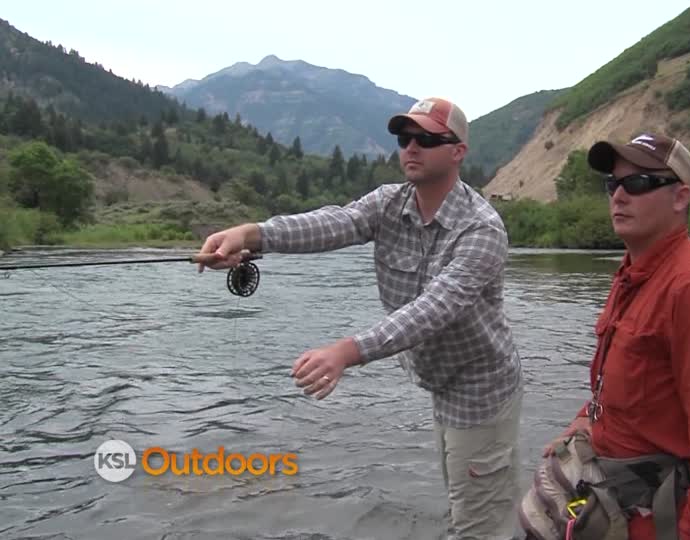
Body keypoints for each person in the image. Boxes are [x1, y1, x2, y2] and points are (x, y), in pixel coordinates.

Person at [196, 97, 524, 540]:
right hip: (441, 382)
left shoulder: (482, 230)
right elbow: (332, 224)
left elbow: (434, 310)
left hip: (482, 389)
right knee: (464, 504)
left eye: (426, 139)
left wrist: (346, 352)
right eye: (405, 138)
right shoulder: (388, 202)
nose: (411, 147)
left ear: (457, 152)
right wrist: (250, 234)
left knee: (480, 526)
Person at [533, 133, 690, 540]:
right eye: (612, 185)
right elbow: (622, 382)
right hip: (615, 501)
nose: (618, 196)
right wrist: (583, 419)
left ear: (680, 197)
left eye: (636, 184)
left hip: (659, 519)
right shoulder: (632, 273)